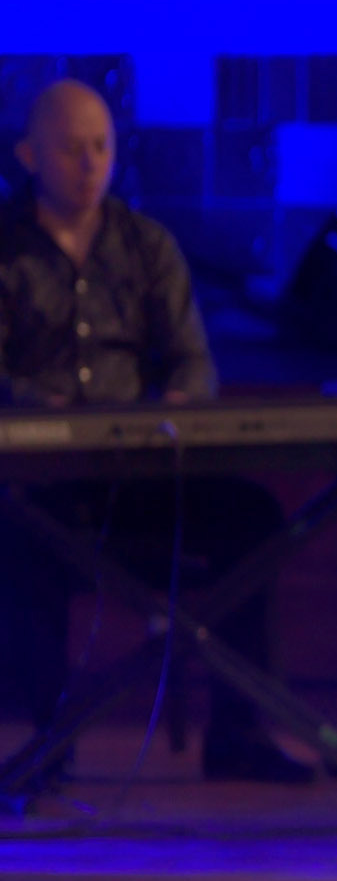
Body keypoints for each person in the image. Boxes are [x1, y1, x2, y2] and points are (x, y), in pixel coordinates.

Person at [0, 78, 311, 785]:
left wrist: (174, 402)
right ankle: (53, 746)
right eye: (71, 148)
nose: (89, 163)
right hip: (39, 484)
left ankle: (238, 732)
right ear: (29, 154)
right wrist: (35, 408)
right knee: (15, 538)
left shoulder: (146, 246)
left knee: (250, 518)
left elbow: (192, 361)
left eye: (101, 146)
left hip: (139, 479)